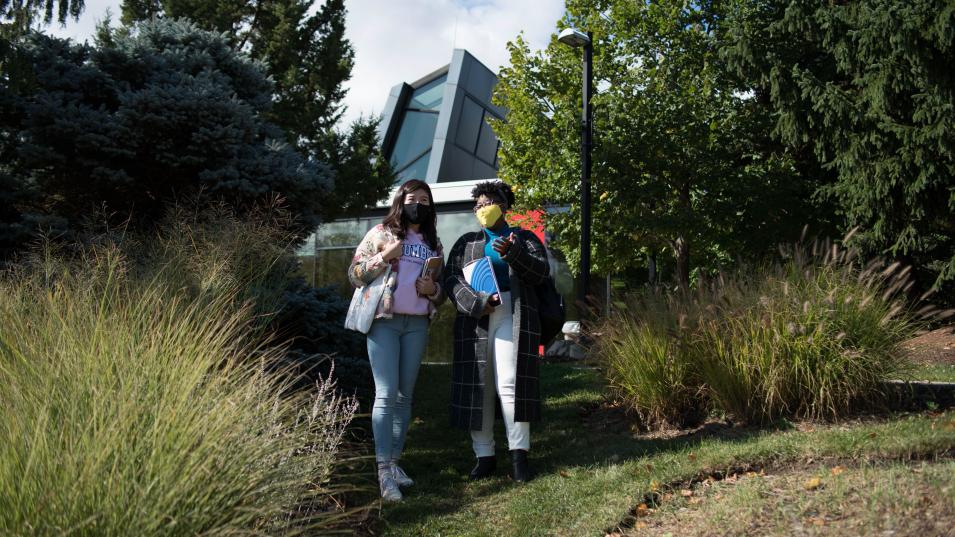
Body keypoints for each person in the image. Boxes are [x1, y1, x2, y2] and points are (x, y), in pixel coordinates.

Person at [444, 180, 550, 483]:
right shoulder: (466, 243)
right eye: (477, 205)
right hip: (476, 318)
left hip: (512, 315)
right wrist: (477, 301)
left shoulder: (524, 237)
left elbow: (541, 272)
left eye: (487, 202)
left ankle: (519, 456)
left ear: (504, 205)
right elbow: (452, 280)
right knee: (479, 386)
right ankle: (484, 456)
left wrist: (515, 254)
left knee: (510, 382)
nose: (482, 209)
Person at [347, 179, 445, 502]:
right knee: (386, 395)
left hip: (416, 324)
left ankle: (394, 463)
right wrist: (383, 257)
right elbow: (355, 274)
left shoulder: (433, 243)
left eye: (425, 200)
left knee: (405, 398)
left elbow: (437, 291)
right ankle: (382, 473)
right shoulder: (380, 233)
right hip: (384, 323)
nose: (419, 204)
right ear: (400, 201)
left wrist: (434, 291)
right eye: (413, 198)